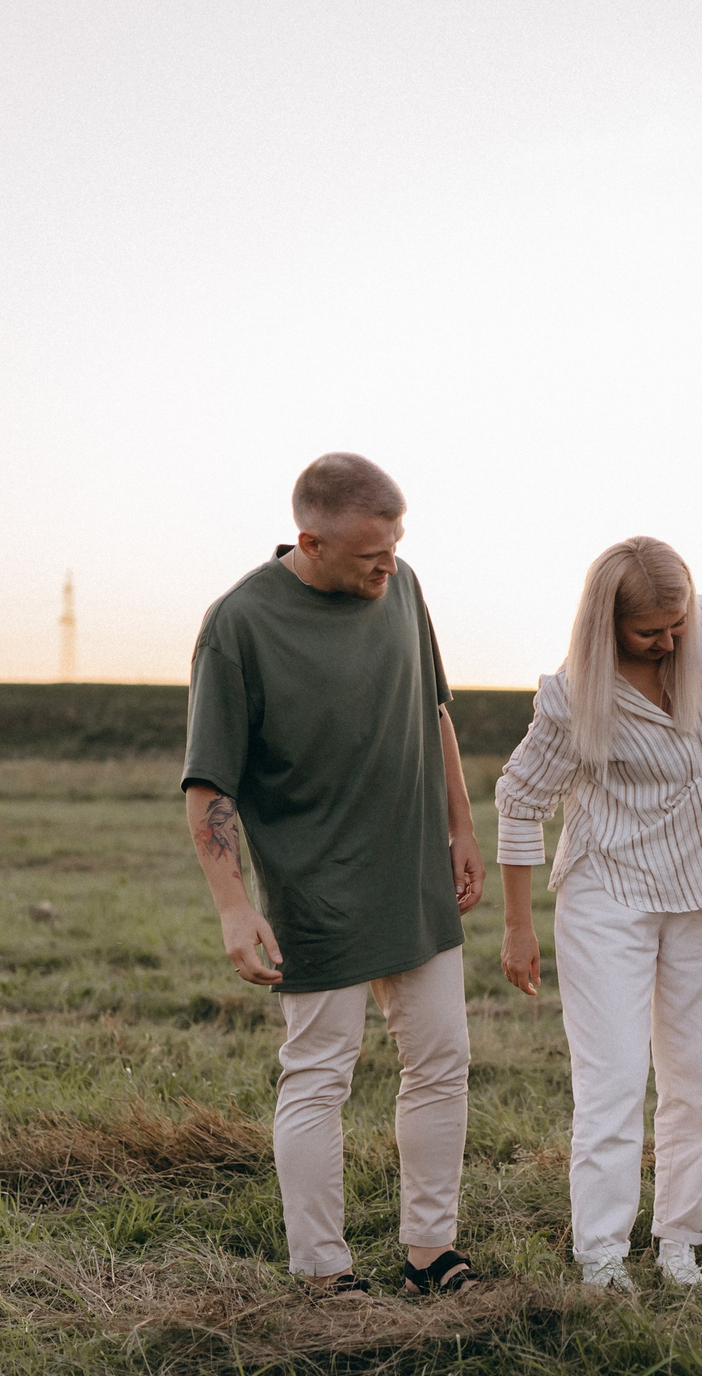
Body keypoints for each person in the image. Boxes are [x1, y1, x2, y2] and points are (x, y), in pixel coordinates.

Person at [181, 452, 487, 1302]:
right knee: (320, 1075)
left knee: (442, 1061)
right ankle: (323, 1271)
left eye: (395, 547)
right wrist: (235, 906)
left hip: (416, 875)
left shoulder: (406, 585)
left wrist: (462, 827)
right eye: (368, 556)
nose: (387, 567)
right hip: (314, 890)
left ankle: (431, 1251)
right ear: (310, 542)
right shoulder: (238, 625)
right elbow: (210, 785)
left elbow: (435, 711)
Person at [494, 537, 702, 1291]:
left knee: (701, 1082)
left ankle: (678, 1243)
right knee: (612, 1082)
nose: (670, 640)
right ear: (607, 625)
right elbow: (518, 801)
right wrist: (516, 924)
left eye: (678, 624)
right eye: (650, 632)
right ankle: (601, 1258)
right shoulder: (572, 696)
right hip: (610, 895)